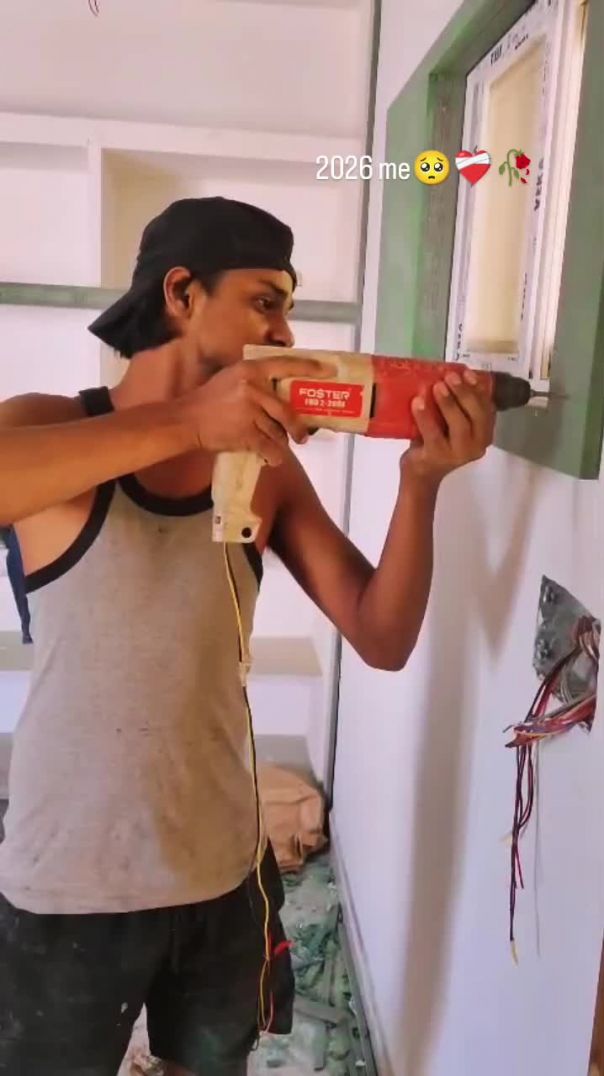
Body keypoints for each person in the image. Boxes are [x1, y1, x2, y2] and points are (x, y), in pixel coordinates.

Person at [0, 196, 495, 1076]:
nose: (284, 331)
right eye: (265, 301)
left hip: (223, 874)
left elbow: (381, 635)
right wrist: (193, 420)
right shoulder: (48, 425)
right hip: (69, 878)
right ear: (181, 294)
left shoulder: (266, 470)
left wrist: (421, 481)